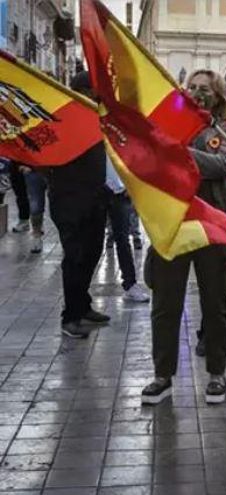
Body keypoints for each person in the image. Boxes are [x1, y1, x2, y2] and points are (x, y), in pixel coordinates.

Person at [141, 69, 226, 405]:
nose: (198, 93)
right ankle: (162, 375)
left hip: (210, 224)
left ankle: (216, 373)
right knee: (165, 304)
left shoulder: (225, 129)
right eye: (193, 88)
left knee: (215, 302)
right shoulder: (167, 126)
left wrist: (181, 154)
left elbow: (225, 164)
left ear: (218, 95)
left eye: (206, 89)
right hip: (172, 222)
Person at [44, 71, 112, 338]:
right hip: (69, 200)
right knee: (75, 257)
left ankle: (82, 306)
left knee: (92, 253)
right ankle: (70, 317)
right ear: (83, 91)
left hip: (95, 198)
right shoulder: (62, 119)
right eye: (94, 91)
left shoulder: (97, 118)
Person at [104, 156, 150, 304]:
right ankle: (79, 291)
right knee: (91, 241)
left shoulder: (119, 135)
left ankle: (130, 284)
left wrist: (131, 184)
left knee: (122, 239)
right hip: (96, 191)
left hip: (120, 192)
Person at [7, 161, 30, 233]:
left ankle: (28, 222)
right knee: (20, 195)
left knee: (24, 196)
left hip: (26, 165)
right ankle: (24, 221)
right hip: (14, 166)